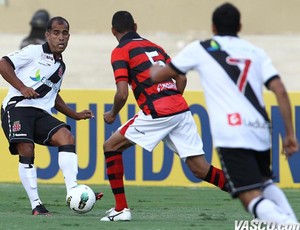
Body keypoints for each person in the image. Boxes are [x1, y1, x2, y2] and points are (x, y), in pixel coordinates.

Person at [150, 2, 299, 225]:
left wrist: (154, 71)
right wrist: (289, 134)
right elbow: (280, 90)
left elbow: (161, 76)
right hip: (260, 128)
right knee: (264, 183)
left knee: (249, 196)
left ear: (213, 27)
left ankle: (290, 226)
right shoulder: (256, 52)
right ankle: (292, 222)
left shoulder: (201, 48)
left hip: (232, 132)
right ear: (239, 26)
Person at [101, 10, 229, 222]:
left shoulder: (120, 51)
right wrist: (172, 98)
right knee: (200, 169)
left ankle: (121, 209)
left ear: (113, 31)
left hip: (158, 111)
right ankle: (248, 192)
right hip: (180, 108)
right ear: (135, 26)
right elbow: (181, 77)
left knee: (110, 146)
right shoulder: (155, 47)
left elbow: (122, 93)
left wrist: (113, 114)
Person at [0, 16, 97, 216]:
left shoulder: (61, 67)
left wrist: (75, 115)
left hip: (41, 112)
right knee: (26, 148)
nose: (61, 37)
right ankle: (36, 205)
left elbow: (54, 95)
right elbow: (3, 64)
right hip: (17, 107)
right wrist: (22, 87)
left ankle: (73, 192)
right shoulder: (34, 51)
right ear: (47, 35)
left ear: (69, 36)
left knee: (66, 137)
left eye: (65, 33)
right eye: (56, 33)